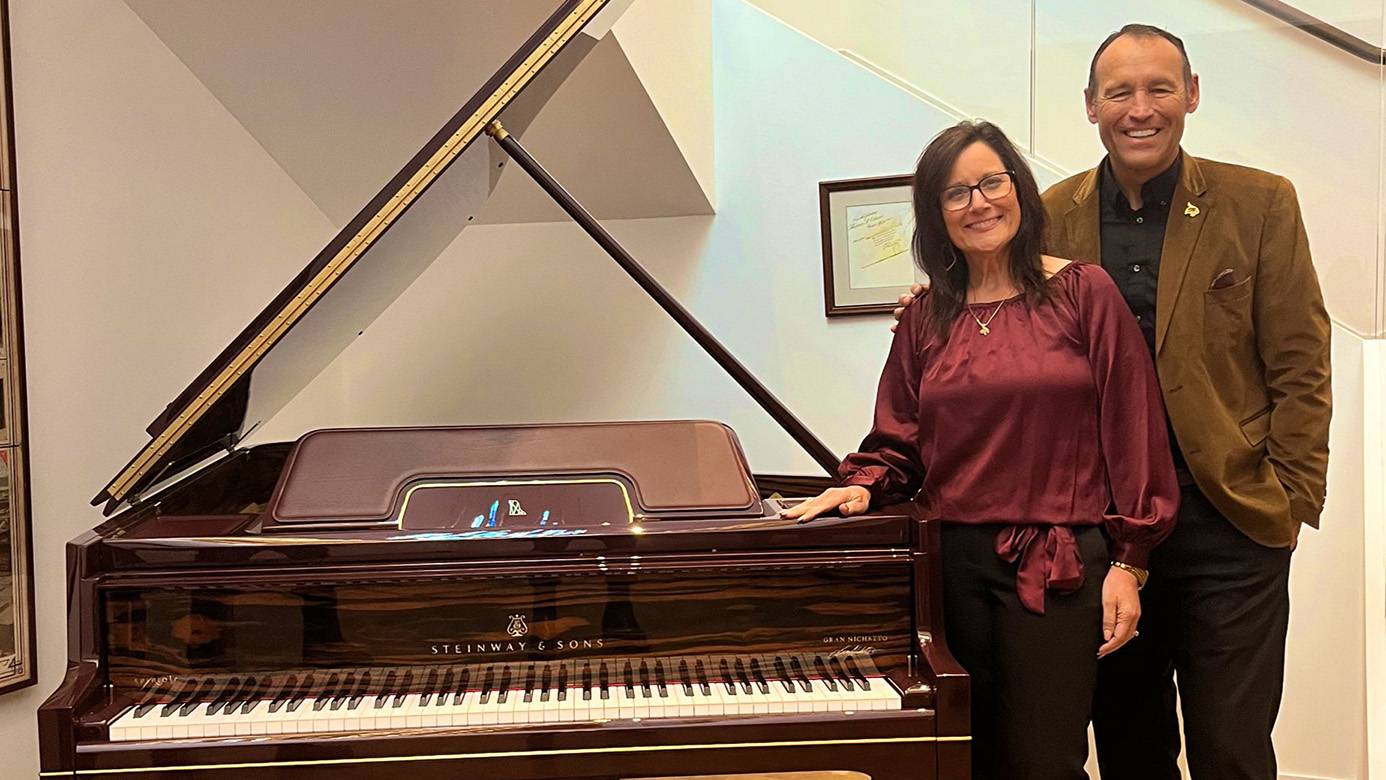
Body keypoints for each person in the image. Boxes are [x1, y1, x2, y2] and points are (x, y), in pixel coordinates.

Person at [893, 24, 1331, 780]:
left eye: (1160, 88)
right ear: (1090, 106)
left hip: (1227, 520)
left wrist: (1290, 500)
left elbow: (1301, 364)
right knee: (1129, 744)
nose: (1141, 108)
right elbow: (992, 299)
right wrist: (939, 301)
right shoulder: (1050, 213)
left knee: (1232, 746)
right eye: (1119, 92)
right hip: (1100, 532)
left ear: (1191, 95)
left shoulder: (1260, 203)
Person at [784, 120, 1179, 780]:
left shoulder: (1085, 292)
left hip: (1058, 564)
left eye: (992, 182)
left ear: (1019, 189)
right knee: (967, 757)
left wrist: (1130, 564)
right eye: (956, 192)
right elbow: (900, 435)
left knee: (1045, 761)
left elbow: (1133, 432)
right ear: (936, 215)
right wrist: (862, 483)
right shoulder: (925, 315)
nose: (979, 203)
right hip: (950, 566)